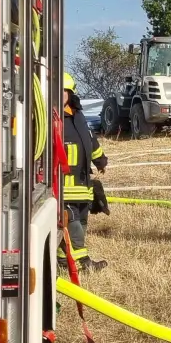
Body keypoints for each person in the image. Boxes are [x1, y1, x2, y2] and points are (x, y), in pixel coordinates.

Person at [59, 72, 108, 272]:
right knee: (73, 224)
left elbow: (90, 140)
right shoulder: (48, 118)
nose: (60, 94)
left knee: (82, 221)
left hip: (82, 185)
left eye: (64, 91)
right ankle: (82, 263)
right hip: (62, 186)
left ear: (71, 93)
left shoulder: (77, 115)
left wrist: (100, 160)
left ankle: (62, 259)